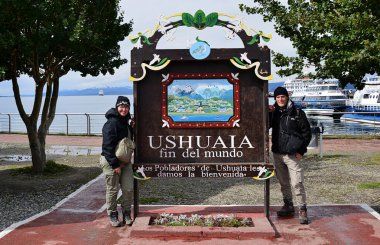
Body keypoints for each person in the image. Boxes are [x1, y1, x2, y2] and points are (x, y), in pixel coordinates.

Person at [270, 87, 312, 224]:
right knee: (284, 183)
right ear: (275, 99)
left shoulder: (298, 112)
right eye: (277, 97)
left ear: (287, 97)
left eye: (282, 96)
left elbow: (307, 134)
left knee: (297, 183)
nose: (280, 99)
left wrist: (301, 151)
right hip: (277, 153)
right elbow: (264, 125)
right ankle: (288, 205)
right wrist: (266, 111)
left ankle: (302, 209)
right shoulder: (273, 113)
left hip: (292, 155)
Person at [100, 96, 134, 227]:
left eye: (126, 107)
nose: (124, 109)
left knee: (128, 189)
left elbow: (128, 141)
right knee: (113, 190)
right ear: (116, 107)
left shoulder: (126, 122)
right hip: (111, 162)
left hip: (125, 163)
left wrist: (133, 127)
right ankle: (113, 214)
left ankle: (126, 212)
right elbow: (107, 146)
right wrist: (114, 165)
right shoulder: (111, 123)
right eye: (121, 106)